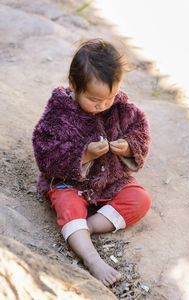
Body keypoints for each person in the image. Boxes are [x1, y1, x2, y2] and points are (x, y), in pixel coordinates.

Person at [32, 39, 151, 286]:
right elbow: (44, 150)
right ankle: (91, 258)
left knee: (140, 200)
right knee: (67, 202)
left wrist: (129, 146)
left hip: (110, 182)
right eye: (94, 100)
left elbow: (140, 131)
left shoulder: (122, 108)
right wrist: (83, 154)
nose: (103, 105)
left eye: (109, 98)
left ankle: (85, 228)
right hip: (70, 183)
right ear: (75, 86)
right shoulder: (59, 112)